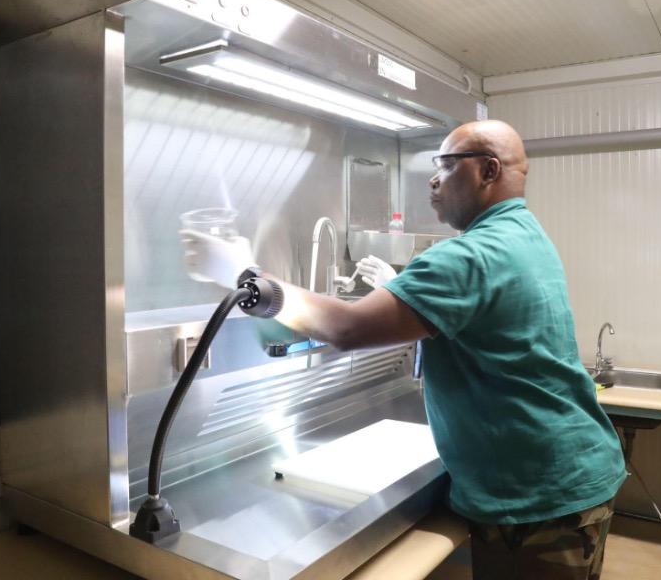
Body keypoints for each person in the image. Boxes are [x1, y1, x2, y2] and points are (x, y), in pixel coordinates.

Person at [186, 120, 626, 580]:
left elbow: (345, 328)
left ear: (488, 170)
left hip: (538, 497)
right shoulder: (524, 236)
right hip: (571, 469)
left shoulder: (468, 256)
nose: (434, 180)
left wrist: (246, 277)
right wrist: (403, 292)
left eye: (447, 165)